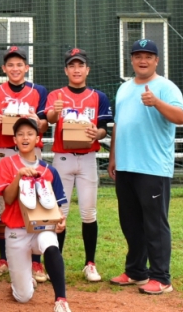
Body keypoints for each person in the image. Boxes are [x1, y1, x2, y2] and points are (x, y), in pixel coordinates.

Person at [108, 39, 183, 295]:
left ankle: (161, 278)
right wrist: (113, 157)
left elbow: (181, 117)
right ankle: (135, 272)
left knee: (155, 223)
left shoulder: (166, 87)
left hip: (153, 167)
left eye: (148, 56)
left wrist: (157, 103)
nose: (143, 60)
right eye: (138, 56)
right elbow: (118, 125)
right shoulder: (124, 88)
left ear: (156, 60)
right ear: (131, 60)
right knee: (130, 222)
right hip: (126, 166)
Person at [40, 48, 112, 282]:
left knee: (89, 212)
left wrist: (97, 132)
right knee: (60, 212)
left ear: (87, 69)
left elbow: (103, 129)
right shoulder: (56, 94)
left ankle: (90, 263)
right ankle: (55, 262)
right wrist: (54, 112)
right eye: (72, 65)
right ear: (66, 70)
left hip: (88, 158)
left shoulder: (98, 96)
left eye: (80, 65)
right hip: (63, 157)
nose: (77, 69)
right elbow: (49, 119)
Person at [0, 117, 72, 312]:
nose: (25, 137)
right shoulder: (6, 164)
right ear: (15, 140)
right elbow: (9, 199)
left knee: (51, 245)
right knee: (23, 297)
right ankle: (22, 280)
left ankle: (61, 300)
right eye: (20, 134)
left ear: (38, 138)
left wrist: (61, 221)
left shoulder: (49, 170)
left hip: (41, 228)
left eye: (30, 133)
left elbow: (58, 208)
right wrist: (19, 176)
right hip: (16, 231)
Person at [0, 46, 48, 281]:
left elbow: (43, 126)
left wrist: (37, 121)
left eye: (19, 64)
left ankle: (36, 262)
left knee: (35, 204)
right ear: (4, 68)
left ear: (27, 67)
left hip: (32, 153)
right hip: (4, 152)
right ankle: (3, 257)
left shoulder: (38, 90)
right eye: (10, 64)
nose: (15, 68)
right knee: (3, 206)